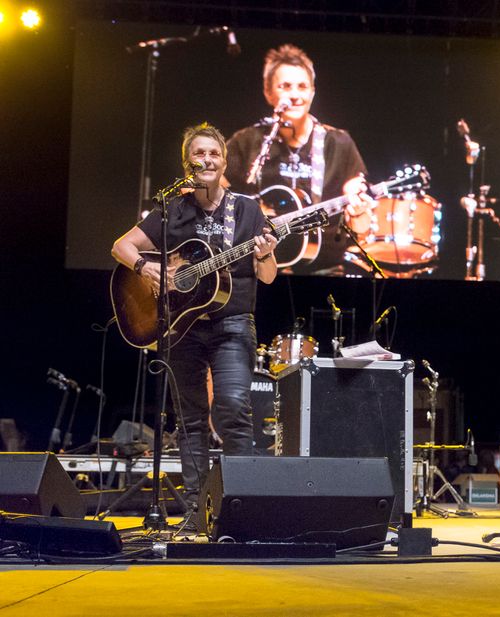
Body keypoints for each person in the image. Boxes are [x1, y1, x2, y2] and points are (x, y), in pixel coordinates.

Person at [112, 123, 279, 506]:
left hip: (233, 325)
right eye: (199, 153)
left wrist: (266, 252)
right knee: (189, 418)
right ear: (188, 162)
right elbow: (121, 246)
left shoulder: (248, 210)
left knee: (234, 410)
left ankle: (242, 504)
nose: (207, 159)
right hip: (180, 325)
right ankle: (195, 507)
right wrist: (146, 268)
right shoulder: (173, 209)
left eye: (213, 153)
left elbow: (267, 277)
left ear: (225, 162)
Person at [224, 43, 372, 274]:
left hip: (325, 269)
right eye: (285, 86)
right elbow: (207, 194)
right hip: (256, 268)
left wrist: (360, 210)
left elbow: (361, 224)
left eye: (302, 86)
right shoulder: (247, 141)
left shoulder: (339, 143)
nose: (294, 95)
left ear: (312, 92)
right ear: (268, 92)